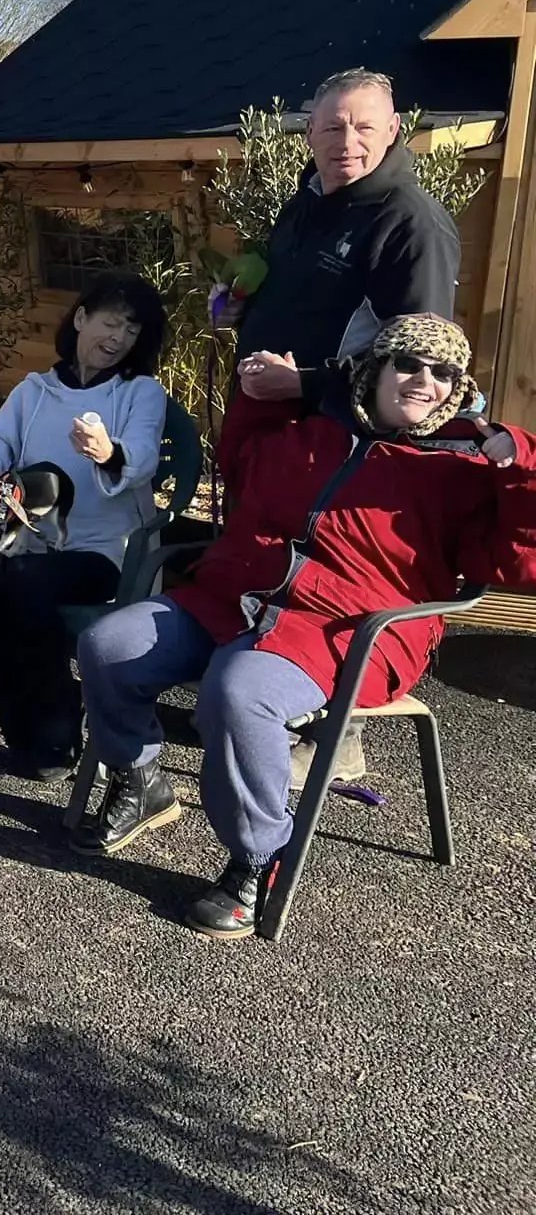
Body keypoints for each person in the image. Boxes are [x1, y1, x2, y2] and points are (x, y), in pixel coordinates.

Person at [72, 313, 536, 939]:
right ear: (375, 371)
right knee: (108, 645)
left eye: (443, 373)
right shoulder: (315, 433)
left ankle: (258, 858)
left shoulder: (464, 468)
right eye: (409, 364)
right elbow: (242, 464)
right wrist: (263, 396)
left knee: (240, 690)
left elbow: (519, 560)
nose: (424, 381)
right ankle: (141, 779)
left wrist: (521, 461)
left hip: (356, 627)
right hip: (238, 596)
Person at [223, 67, 462, 785]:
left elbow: (417, 362)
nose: (345, 140)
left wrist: (308, 381)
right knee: (263, 566)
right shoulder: (309, 200)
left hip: (347, 442)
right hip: (275, 426)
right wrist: (247, 308)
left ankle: (337, 730)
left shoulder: (410, 223)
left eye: (363, 126)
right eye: (331, 126)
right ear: (310, 133)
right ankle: (256, 698)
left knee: (328, 581)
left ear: (394, 130)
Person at [0, 273, 169, 780]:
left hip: (107, 551)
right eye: (110, 322)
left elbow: (138, 458)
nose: (118, 338)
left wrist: (108, 451)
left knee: (24, 583)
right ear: (80, 318)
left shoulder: (141, 393)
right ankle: (26, 725)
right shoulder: (35, 391)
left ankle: (55, 727)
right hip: (31, 540)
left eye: (132, 330)